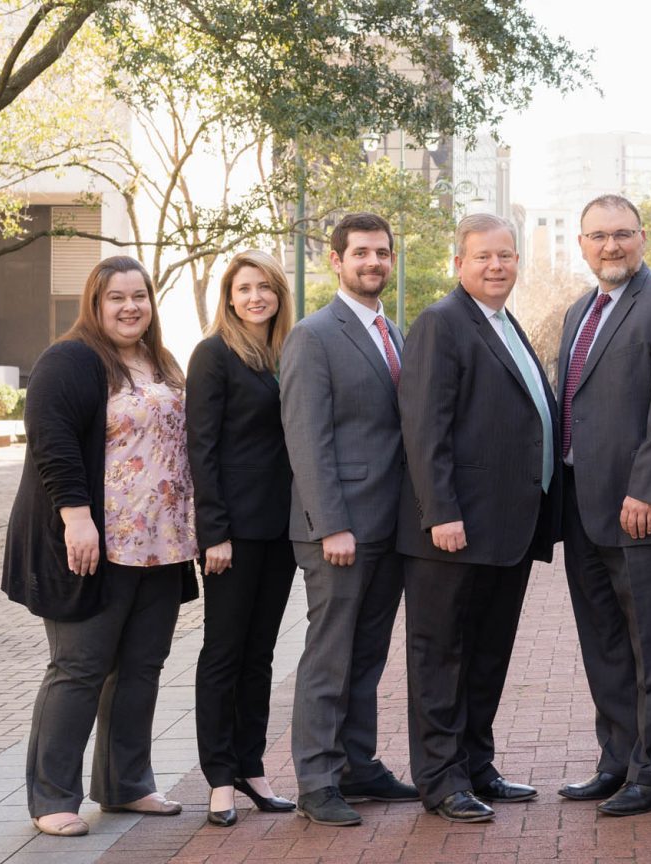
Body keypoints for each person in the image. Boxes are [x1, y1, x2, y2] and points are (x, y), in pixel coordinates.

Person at [4, 256, 198, 837]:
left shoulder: (161, 361)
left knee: (141, 667)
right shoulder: (72, 359)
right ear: (95, 303)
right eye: (117, 297)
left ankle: (125, 784)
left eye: (139, 296)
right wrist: (76, 519)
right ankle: (52, 797)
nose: (130, 306)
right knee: (79, 667)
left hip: (159, 547)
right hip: (93, 546)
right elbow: (53, 439)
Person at [399, 213, 560, 824]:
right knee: (441, 656)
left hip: (505, 528)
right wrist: (440, 511)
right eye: (484, 256)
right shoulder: (442, 323)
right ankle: (440, 780)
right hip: (453, 529)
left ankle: (476, 765)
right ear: (458, 263)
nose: (497, 266)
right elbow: (424, 428)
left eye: (507, 256)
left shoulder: (504, 322)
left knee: (488, 653)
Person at [555, 195, 651, 817]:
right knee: (606, 645)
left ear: (642, 237)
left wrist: (645, 488)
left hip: (645, 508)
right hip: (584, 510)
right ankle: (616, 760)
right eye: (598, 237)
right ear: (582, 243)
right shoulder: (577, 311)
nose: (610, 247)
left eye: (621, 235)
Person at [280, 214, 416, 827]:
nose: (373, 262)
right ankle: (316, 780)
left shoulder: (397, 332)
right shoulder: (314, 335)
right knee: (329, 656)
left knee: (367, 655)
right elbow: (306, 438)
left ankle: (359, 764)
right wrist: (331, 523)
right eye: (360, 252)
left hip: (390, 526)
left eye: (382, 253)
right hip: (338, 529)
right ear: (335, 260)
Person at [186, 251, 297, 826]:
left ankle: (252, 768)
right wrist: (215, 533)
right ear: (229, 296)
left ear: (279, 294)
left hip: (281, 531)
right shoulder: (213, 355)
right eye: (244, 288)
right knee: (223, 654)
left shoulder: (285, 353)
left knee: (262, 654)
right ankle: (220, 780)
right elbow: (200, 449)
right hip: (233, 533)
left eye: (265, 287)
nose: (255, 297)